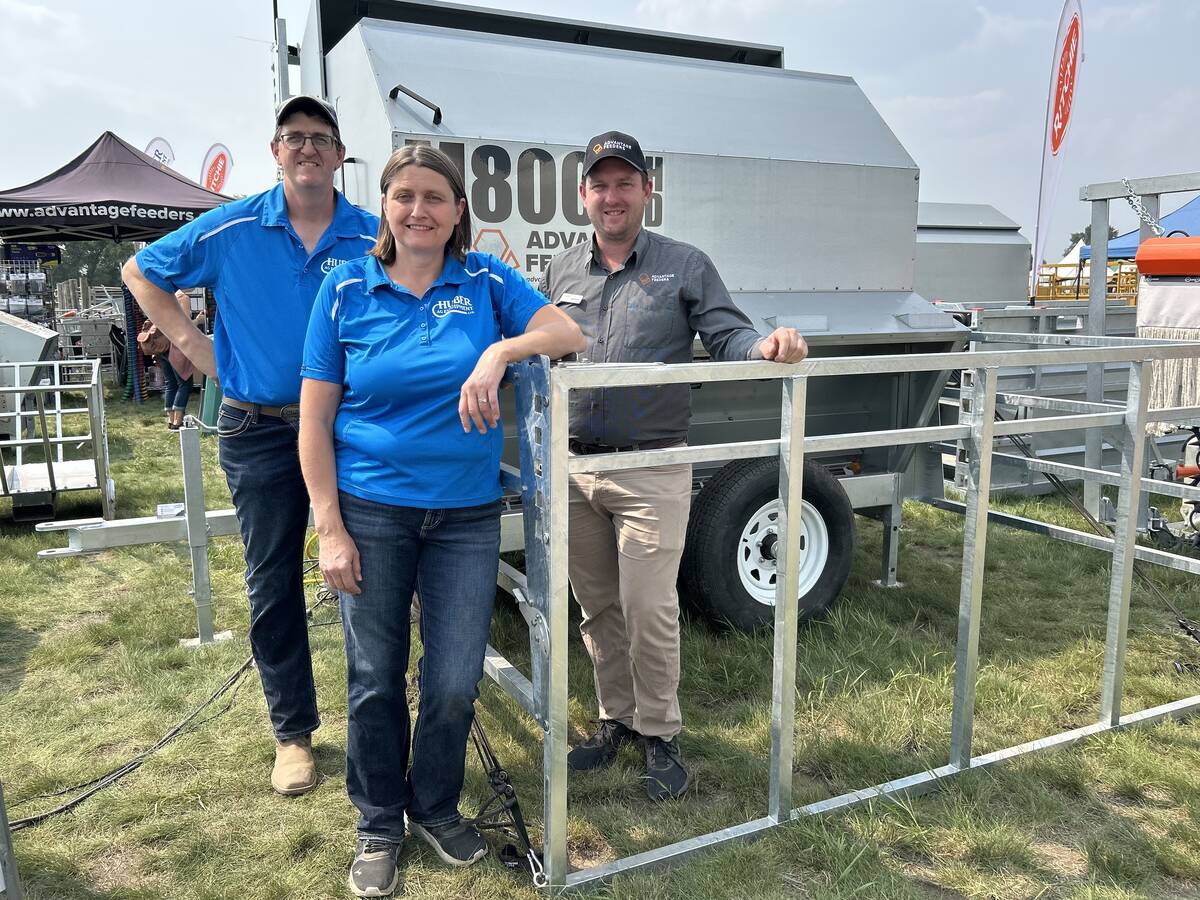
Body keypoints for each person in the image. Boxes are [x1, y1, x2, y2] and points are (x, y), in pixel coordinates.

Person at [298, 144, 583, 897]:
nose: (418, 209)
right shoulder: (343, 289)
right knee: (374, 677)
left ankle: (434, 804)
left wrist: (500, 350)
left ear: (459, 213)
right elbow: (313, 421)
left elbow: (567, 335)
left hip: (464, 517)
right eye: (404, 196)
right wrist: (329, 526)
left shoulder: (486, 280)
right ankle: (378, 822)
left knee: (455, 679)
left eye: (435, 197)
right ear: (384, 207)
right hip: (372, 510)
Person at [121, 95, 379, 796]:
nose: (307, 149)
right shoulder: (233, 227)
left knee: (366, 572)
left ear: (338, 154)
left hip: (349, 428)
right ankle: (292, 734)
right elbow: (140, 270)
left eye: (321, 138)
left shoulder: (371, 235)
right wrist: (194, 347)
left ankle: (377, 723)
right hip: (258, 428)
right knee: (273, 583)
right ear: (276, 151)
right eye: (294, 138)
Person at [540, 130, 809, 801]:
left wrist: (766, 346)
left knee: (648, 605)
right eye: (599, 183)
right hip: (575, 470)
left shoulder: (684, 265)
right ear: (583, 195)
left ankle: (660, 732)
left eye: (623, 182)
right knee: (596, 606)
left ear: (645, 192)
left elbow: (727, 334)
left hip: (653, 469)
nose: (611, 195)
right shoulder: (562, 270)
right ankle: (616, 721)